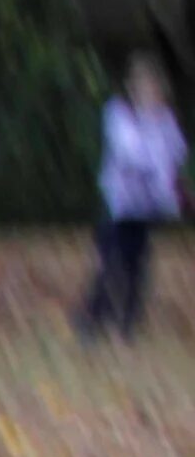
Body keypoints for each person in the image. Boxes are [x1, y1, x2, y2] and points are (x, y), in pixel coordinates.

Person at [78, 52, 186, 342]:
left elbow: (173, 158)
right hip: (119, 204)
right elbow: (131, 154)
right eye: (143, 85)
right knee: (110, 261)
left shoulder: (166, 123)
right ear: (133, 87)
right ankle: (92, 319)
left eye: (153, 87)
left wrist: (171, 198)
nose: (148, 92)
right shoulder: (119, 115)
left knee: (137, 266)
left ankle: (126, 324)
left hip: (146, 208)